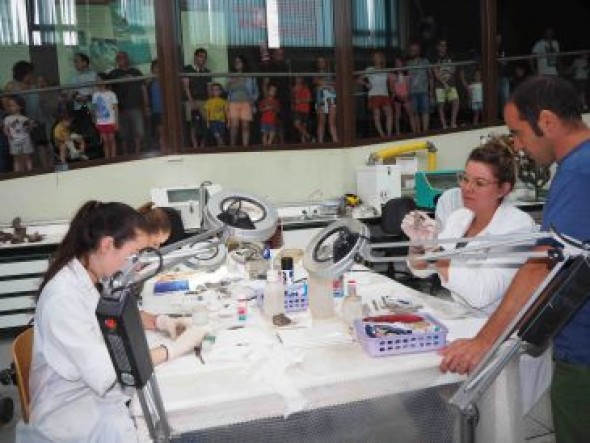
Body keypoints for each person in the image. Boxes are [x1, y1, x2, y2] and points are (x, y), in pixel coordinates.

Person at [439, 76, 590, 442]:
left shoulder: (579, 172)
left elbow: (540, 265)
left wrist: (484, 341)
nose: (518, 146)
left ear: (548, 121)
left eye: (519, 133)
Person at [25, 201, 207, 443]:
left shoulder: (89, 276)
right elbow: (105, 372)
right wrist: (172, 349)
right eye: (132, 254)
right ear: (107, 245)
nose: (135, 263)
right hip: (70, 419)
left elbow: (114, 312)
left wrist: (163, 322)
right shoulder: (63, 298)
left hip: (93, 401)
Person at [404, 138, 551, 413]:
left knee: (495, 425)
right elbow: (419, 269)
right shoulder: (461, 217)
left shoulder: (517, 226)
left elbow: (481, 291)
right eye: (465, 178)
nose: (467, 188)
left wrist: (434, 253)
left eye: (479, 183)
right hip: (466, 325)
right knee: (430, 402)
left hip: (501, 336)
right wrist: (418, 244)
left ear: (504, 189)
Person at [109, 51, 148, 155]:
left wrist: (147, 105)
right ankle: (125, 155)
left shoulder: (135, 72)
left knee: (138, 132)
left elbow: (143, 88)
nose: (119, 60)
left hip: (135, 106)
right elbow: (108, 91)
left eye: (121, 57)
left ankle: (137, 153)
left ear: (127, 59)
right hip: (120, 108)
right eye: (117, 58)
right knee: (123, 134)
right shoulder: (113, 73)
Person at [358, 50, 394, 138]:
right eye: (376, 57)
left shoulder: (385, 70)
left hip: (385, 94)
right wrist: (366, 84)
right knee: (376, 115)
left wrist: (393, 89)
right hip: (374, 95)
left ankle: (389, 135)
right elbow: (359, 79)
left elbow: (393, 79)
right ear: (373, 59)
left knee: (389, 113)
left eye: (379, 57)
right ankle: (382, 135)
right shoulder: (370, 69)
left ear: (382, 59)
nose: (377, 59)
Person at [182, 48, 212, 149]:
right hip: (191, 100)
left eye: (204, 57)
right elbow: (186, 87)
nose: (203, 59)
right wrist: (191, 101)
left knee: (205, 123)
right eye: (200, 56)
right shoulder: (187, 69)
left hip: (204, 100)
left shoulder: (207, 71)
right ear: (195, 57)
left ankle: (202, 146)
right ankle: (195, 146)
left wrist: (210, 102)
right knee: (192, 124)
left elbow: (209, 88)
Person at [226, 55, 259, 147]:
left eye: (239, 62)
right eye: (235, 62)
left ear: (243, 64)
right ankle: (232, 147)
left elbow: (256, 92)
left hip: (246, 103)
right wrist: (232, 81)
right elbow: (226, 90)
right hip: (233, 103)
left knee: (245, 126)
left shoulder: (250, 77)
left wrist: (253, 100)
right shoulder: (231, 76)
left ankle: (245, 147)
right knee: (234, 126)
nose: (236, 63)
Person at [432, 38, 460, 129]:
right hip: (440, 84)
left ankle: (453, 123)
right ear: (437, 47)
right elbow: (436, 73)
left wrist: (448, 78)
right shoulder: (435, 58)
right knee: (441, 104)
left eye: (445, 45)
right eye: (442, 45)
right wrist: (444, 83)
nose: (444, 47)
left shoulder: (450, 57)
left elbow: (453, 69)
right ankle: (444, 125)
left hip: (450, 82)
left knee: (455, 101)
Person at [406, 42, 433, 132]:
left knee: (425, 111)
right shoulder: (408, 63)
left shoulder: (425, 61)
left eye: (414, 50)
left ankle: (425, 131)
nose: (412, 51)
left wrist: (431, 90)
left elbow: (430, 76)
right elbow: (408, 79)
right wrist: (408, 91)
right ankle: (418, 132)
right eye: (411, 50)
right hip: (413, 91)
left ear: (418, 51)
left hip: (424, 90)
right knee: (415, 112)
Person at [3, 95, 34, 172]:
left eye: (13, 105)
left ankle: (30, 172)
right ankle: (17, 174)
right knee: (16, 158)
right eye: (10, 106)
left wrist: (30, 125)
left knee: (27, 157)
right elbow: (5, 129)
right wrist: (8, 135)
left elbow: (28, 130)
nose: (11, 107)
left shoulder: (25, 118)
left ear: (20, 106)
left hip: (25, 139)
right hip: (14, 140)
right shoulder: (7, 118)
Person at [92, 72, 118, 159]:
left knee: (111, 140)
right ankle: (107, 159)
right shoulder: (95, 94)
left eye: (99, 80)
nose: (97, 82)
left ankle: (113, 158)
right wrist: (95, 120)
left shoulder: (111, 94)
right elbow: (94, 108)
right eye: (97, 80)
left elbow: (115, 109)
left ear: (104, 81)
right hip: (101, 122)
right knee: (105, 141)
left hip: (110, 121)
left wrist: (116, 121)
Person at [314, 57, 338, 143]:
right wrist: (329, 85)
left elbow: (336, 84)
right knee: (321, 122)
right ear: (317, 64)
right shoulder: (315, 74)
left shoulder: (331, 74)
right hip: (320, 99)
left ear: (325, 63)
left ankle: (335, 142)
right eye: (319, 62)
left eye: (322, 61)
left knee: (332, 122)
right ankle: (320, 143)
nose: (321, 64)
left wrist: (324, 85)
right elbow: (317, 82)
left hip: (331, 99)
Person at [390, 56, 417, 134]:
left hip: (405, 96)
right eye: (396, 63)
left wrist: (405, 96)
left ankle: (414, 132)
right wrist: (397, 95)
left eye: (399, 62)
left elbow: (408, 87)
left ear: (403, 63)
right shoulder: (392, 75)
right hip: (396, 96)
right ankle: (398, 133)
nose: (397, 64)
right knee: (397, 115)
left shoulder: (407, 74)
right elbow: (391, 88)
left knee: (411, 114)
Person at [203, 82, 228, 147]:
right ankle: (223, 145)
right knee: (216, 135)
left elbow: (226, 112)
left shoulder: (224, 101)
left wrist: (228, 121)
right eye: (214, 90)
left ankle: (220, 148)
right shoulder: (209, 101)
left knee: (221, 135)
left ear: (221, 91)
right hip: (213, 121)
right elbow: (207, 112)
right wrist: (207, 122)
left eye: (217, 90)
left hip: (222, 121)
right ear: (211, 92)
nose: (216, 91)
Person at [148, 59, 164, 149]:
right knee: (160, 133)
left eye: (159, 67)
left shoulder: (166, 82)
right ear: (152, 69)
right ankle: (163, 150)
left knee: (166, 133)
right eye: (155, 68)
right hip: (156, 112)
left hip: (166, 111)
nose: (157, 70)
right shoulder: (150, 83)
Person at [291, 76, 312, 143]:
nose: (298, 79)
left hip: (305, 110)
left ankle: (303, 141)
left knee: (303, 126)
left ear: (302, 80)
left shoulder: (306, 88)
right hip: (297, 109)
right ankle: (308, 136)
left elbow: (309, 99)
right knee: (296, 124)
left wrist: (301, 100)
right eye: (296, 78)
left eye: (299, 78)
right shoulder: (293, 88)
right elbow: (292, 98)